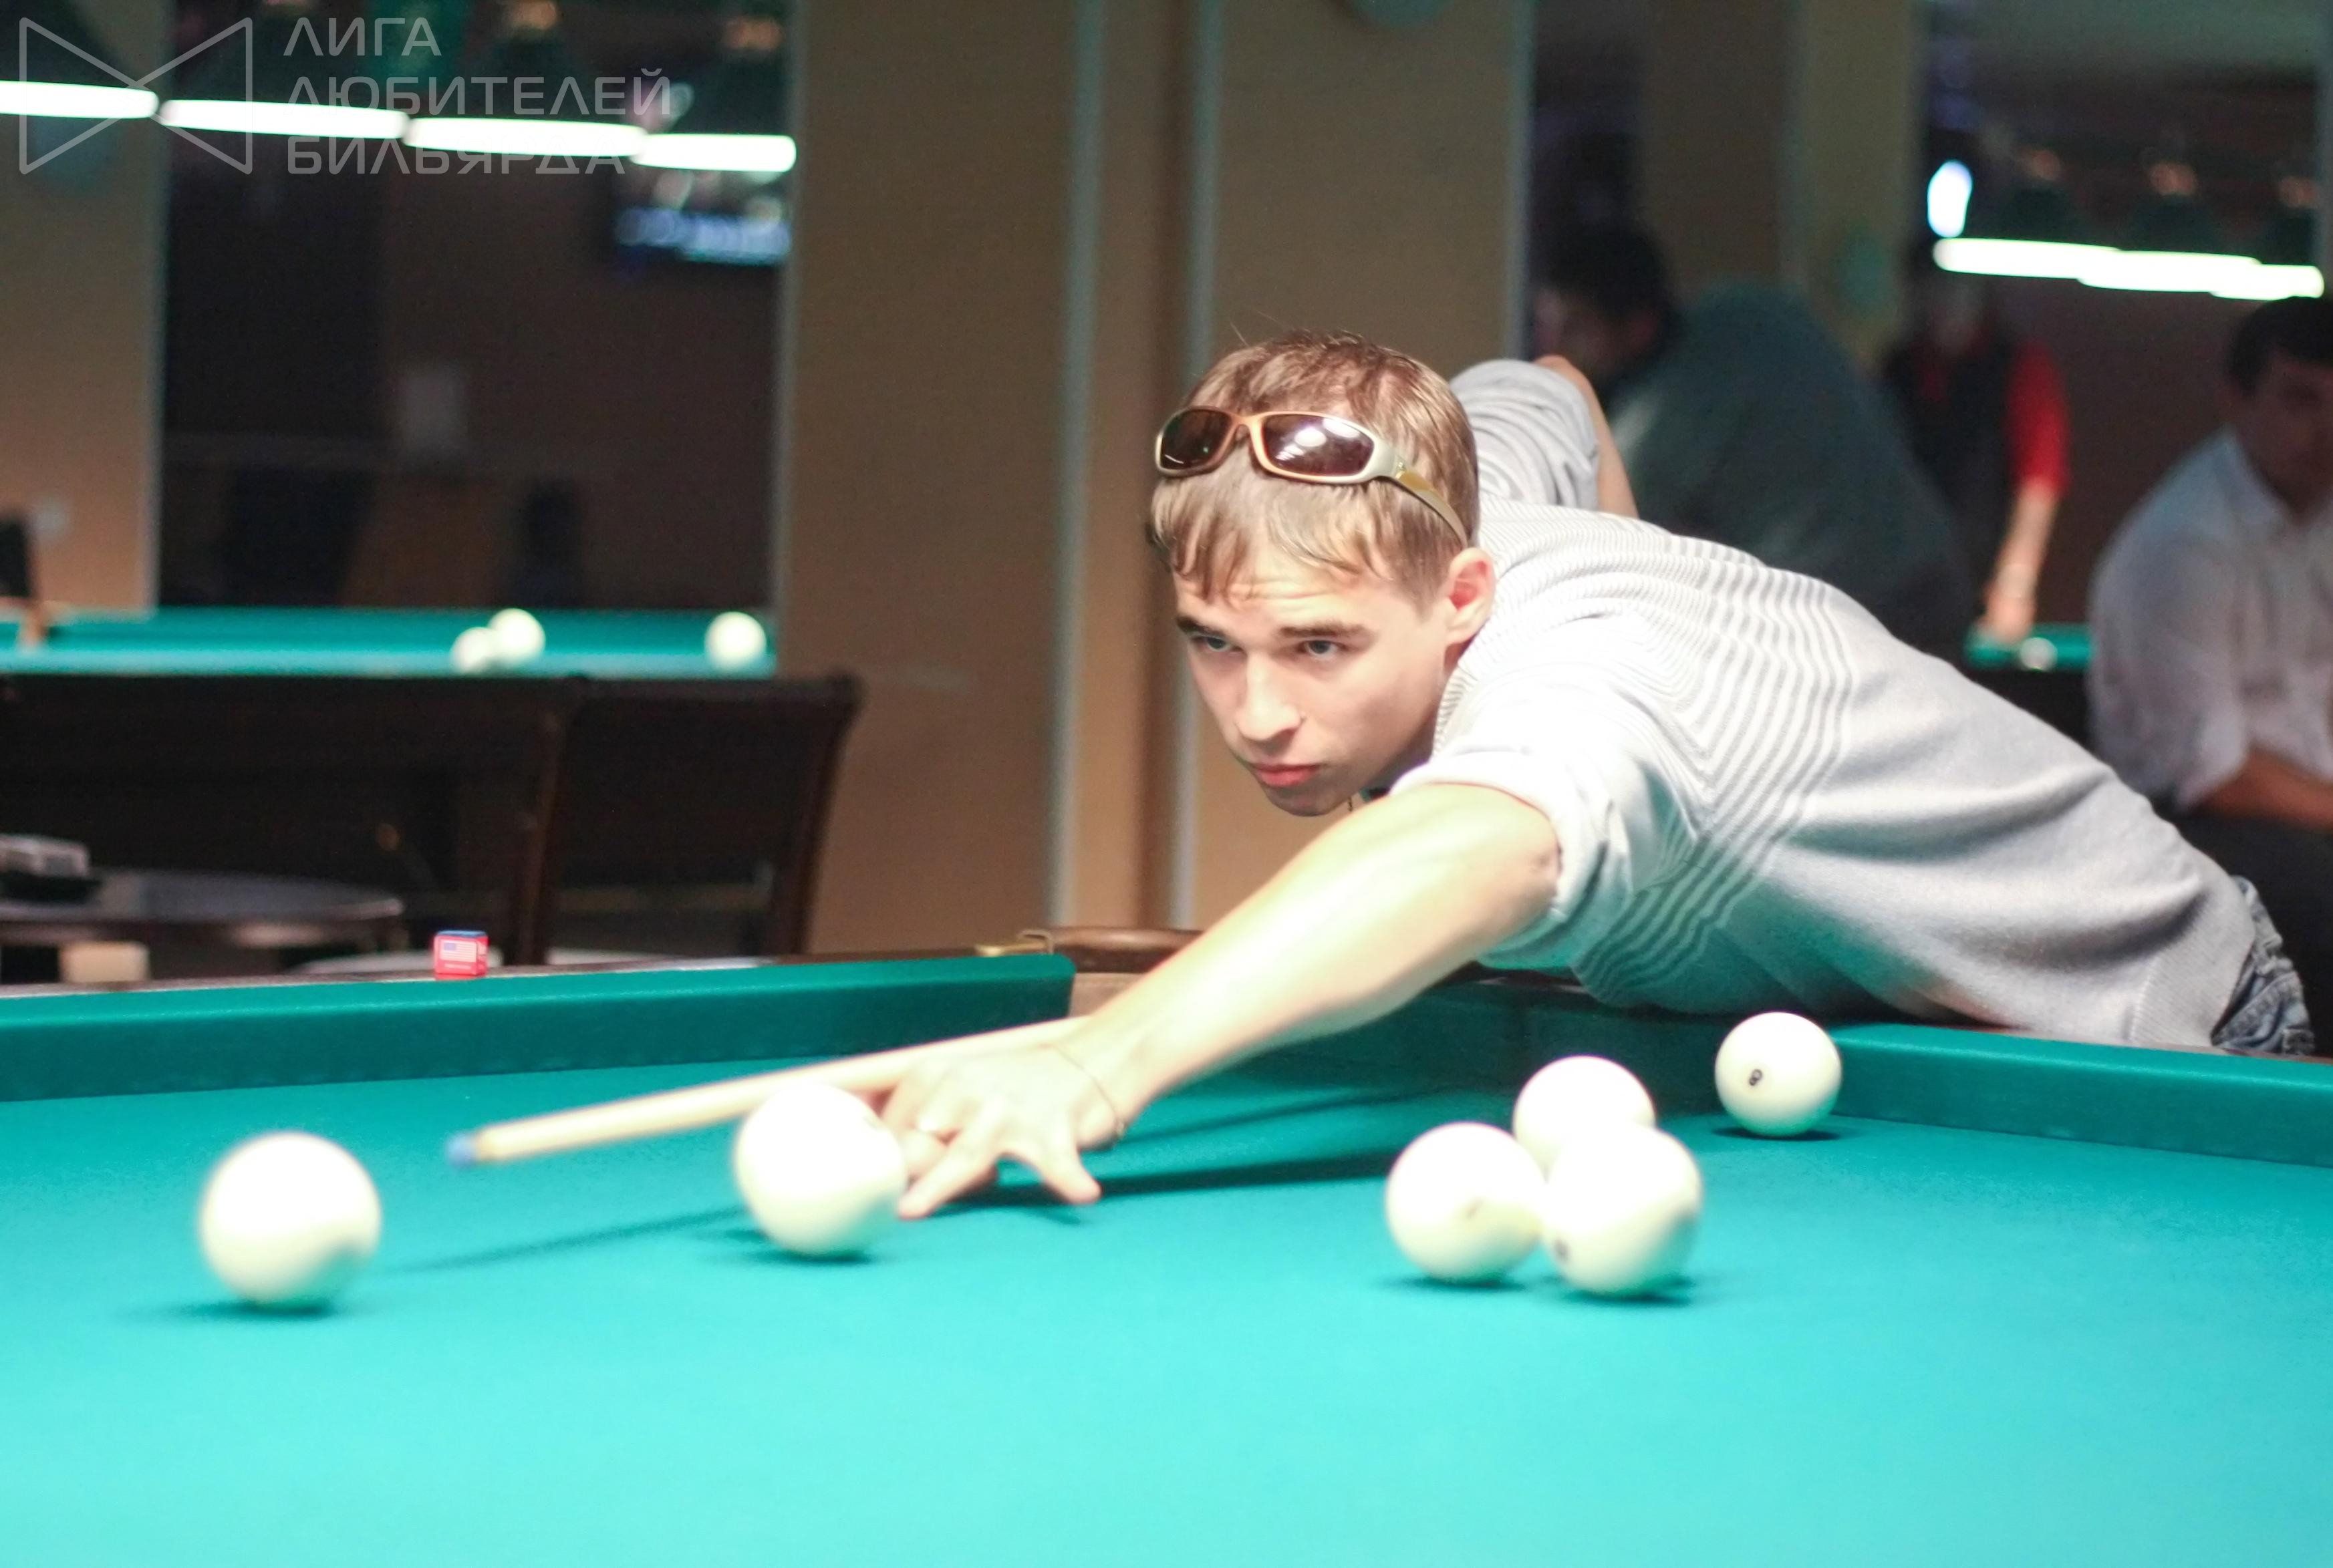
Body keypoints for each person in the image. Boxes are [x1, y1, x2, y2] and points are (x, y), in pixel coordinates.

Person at [865, 329, 2307, 1219]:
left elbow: (1466, 844)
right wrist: (1639, 550)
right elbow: (1547, 389)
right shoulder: (1449, 485)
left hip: (2162, 1023)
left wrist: (1094, 1063)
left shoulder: (1584, 693)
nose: (1258, 714)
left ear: (1463, 594)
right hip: (1903, 1037)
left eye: (1317, 646)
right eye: (1211, 643)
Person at [1532, 226, 1971, 656]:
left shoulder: (1651, 435)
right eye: (1548, 325)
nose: (1552, 348)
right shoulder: (1751, 306)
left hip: (1855, 619)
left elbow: (1598, 563)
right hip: (1935, 574)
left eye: (1575, 327)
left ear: (1637, 327)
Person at [2090, 296, 2333, 1037]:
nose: (2325, 428)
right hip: (2182, 824)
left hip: (2302, 808)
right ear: (2234, 400)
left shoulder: (2320, 516)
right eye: (2299, 399)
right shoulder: (2183, 542)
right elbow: (2218, 775)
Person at [1882, 241, 2070, 643]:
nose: (1941, 303)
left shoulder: (2017, 365)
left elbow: (2038, 480)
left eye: (1953, 288)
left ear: (1977, 292)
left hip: (1985, 582)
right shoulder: (1897, 369)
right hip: (1909, 580)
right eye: (1929, 290)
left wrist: (2014, 584)